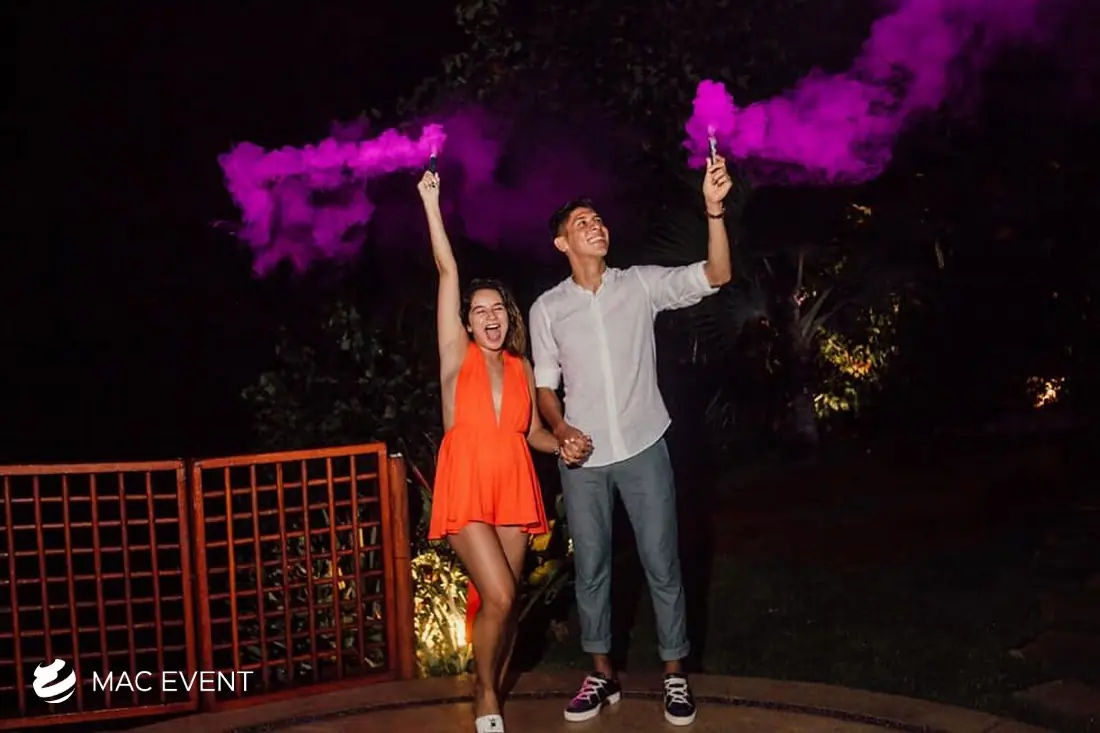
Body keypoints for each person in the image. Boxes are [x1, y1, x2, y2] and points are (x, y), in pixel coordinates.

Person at [529, 156, 734, 726]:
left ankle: (674, 676)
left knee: (662, 564)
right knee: (591, 567)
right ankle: (601, 675)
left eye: (598, 219)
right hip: (584, 460)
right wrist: (563, 429)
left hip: (645, 446)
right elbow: (546, 388)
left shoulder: (640, 284)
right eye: (581, 223)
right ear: (561, 243)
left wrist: (713, 210)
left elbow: (716, 275)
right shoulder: (548, 309)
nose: (595, 226)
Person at [417, 169, 585, 733]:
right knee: (499, 590)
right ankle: (486, 692)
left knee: (505, 605)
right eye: (479, 311)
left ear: (507, 319)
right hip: (466, 481)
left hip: (514, 482)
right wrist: (432, 204)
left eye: (498, 310)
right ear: (466, 321)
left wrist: (563, 440)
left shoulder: (522, 368)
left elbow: (532, 433)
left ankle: (487, 679)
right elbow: (447, 269)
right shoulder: (453, 356)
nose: (490, 318)